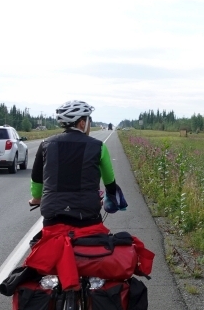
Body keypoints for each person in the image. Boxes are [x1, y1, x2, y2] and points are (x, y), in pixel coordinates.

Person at [23, 100, 128, 290]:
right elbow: (110, 183)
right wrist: (111, 199)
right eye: (88, 120)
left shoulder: (46, 144)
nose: (89, 123)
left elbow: (37, 180)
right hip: (87, 218)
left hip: (54, 219)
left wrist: (36, 199)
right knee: (94, 259)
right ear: (81, 123)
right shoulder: (98, 147)